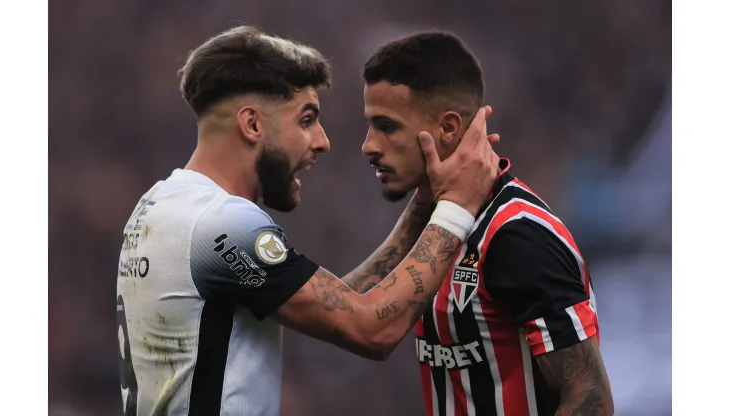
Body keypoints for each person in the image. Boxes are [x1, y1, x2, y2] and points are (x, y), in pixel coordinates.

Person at [115, 26, 501, 416]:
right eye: (306, 120)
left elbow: (340, 305)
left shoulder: (158, 206)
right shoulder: (224, 224)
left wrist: (424, 205)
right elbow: (371, 329)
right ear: (252, 125)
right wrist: (456, 206)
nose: (322, 140)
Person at [349, 31, 614, 416]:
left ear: (449, 127)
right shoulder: (437, 228)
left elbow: (591, 397)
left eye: (387, 126)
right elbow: (353, 313)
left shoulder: (517, 233)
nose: (369, 145)